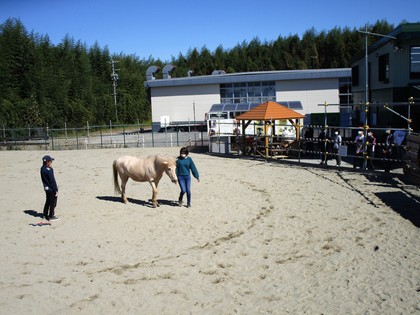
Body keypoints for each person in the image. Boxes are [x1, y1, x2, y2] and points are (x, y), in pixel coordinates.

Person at [40, 155, 59, 221]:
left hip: (46, 188)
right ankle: (51, 215)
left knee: (47, 201)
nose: (51, 162)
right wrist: (56, 189)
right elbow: (52, 181)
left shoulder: (42, 168)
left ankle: (45, 214)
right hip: (51, 189)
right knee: (52, 202)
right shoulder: (49, 170)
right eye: (50, 161)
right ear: (48, 162)